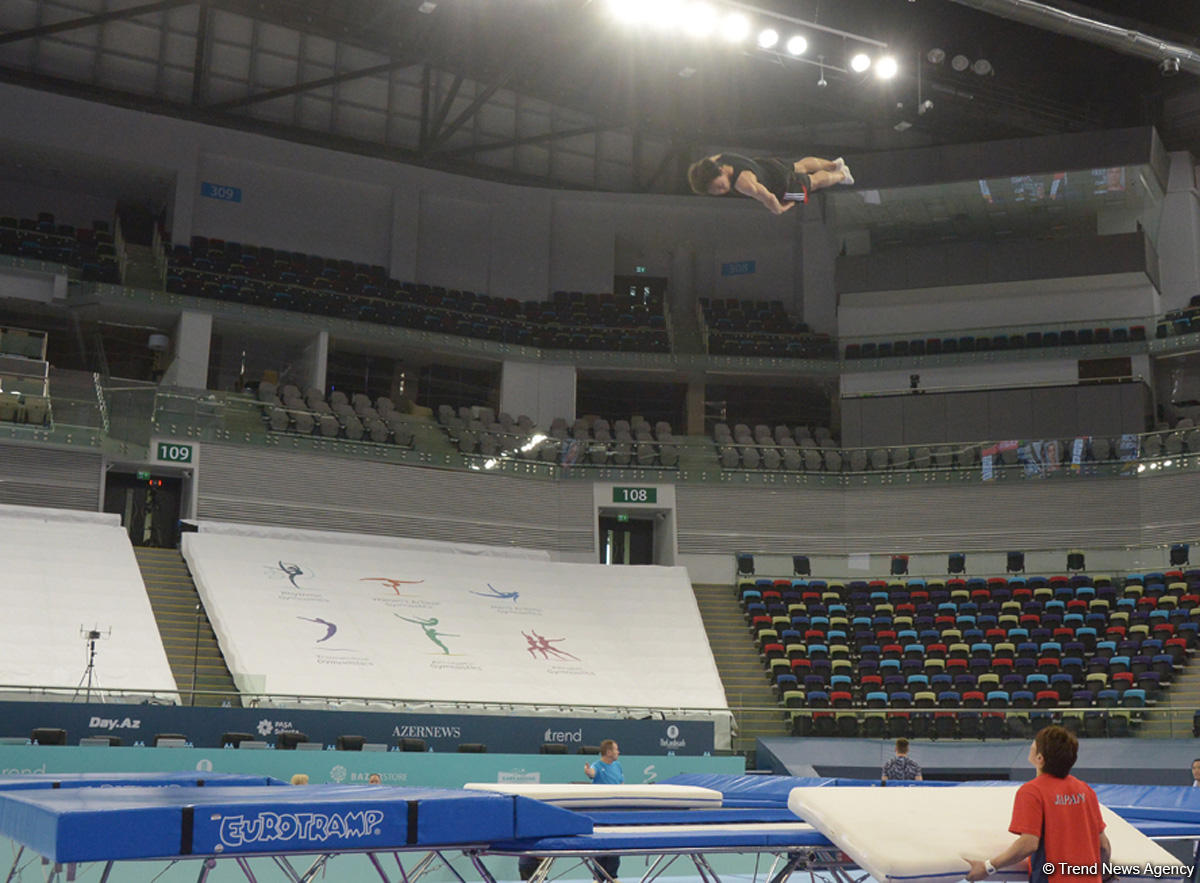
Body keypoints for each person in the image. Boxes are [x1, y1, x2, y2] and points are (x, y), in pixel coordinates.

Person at [965, 726, 1110, 883]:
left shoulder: (1032, 792)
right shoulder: (1085, 790)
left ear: (1039, 758)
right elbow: (1103, 845)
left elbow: (1028, 844)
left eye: (1034, 743)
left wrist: (988, 867)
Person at [687, 153, 853, 215]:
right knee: (800, 165)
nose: (720, 191)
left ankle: (841, 174)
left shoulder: (744, 185)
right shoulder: (717, 160)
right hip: (769, 166)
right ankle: (834, 163)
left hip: (783, 187)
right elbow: (704, 164)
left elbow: (770, 197)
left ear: (720, 172)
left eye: (718, 186)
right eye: (714, 192)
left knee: (813, 183)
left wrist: (780, 209)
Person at [584, 740, 623, 880]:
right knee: (601, 844)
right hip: (600, 814)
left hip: (616, 813)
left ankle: (613, 876)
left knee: (615, 845)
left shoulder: (618, 766)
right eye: (616, 749)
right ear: (608, 752)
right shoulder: (597, 766)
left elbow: (622, 784)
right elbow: (592, 774)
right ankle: (598, 878)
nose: (618, 752)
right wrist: (589, 772)